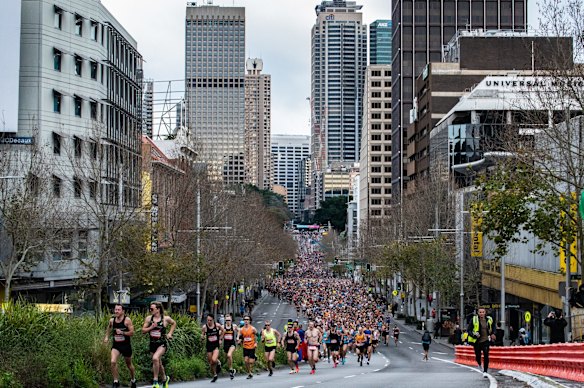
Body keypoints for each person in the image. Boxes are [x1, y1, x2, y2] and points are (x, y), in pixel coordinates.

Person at [142, 302, 177, 388]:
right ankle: (165, 378)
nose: (150, 310)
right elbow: (143, 331)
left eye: (152, 309)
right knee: (158, 362)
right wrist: (151, 327)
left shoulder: (165, 319)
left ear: (158, 309)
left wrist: (170, 334)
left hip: (161, 344)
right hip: (152, 343)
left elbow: (174, 323)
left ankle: (155, 381)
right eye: (150, 309)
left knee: (155, 358)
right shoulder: (149, 319)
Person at [103, 304, 137, 388]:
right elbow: (109, 328)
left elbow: (132, 333)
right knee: (113, 362)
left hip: (126, 346)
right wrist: (106, 337)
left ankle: (133, 380)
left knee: (129, 365)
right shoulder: (112, 320)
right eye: (115, 310)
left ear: (123, 311)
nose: (116, 311)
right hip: (116, 345)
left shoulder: (127, 320)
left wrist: (122, 333)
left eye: (118, 310)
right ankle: (116, 381)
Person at [467, 308, 495, 378]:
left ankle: (485, 371)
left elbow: (493, 327)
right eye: (480, 312)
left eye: (483, 312)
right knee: (478, 356)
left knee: (486, 355)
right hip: (477, 341)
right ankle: (479, 364)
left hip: (486, 340)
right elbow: (469, 330)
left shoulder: (489, 319)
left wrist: (493, 333)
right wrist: (474, 334)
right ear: (478, 313)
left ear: (485, 312)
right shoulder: (474, 319)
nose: (481, 313)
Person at [201, 314, 223, 382]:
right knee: (211, 362)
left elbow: (223, 330)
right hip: (209, 346)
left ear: (213, 320)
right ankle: (215, 375)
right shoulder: (205, 327)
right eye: (208, 320)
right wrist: (202, 337)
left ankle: (218, 362)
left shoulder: (217, 325)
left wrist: (220, 339)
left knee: (214, 360)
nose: (209, 321)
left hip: (215, 345)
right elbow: (202, 335)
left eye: (210, 320)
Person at [239, 315, 257, 379]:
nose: (246, 321)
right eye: (245, 320)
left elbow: (257, 336)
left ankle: (255, 357)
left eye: (247, 320)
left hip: (252, 346)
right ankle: (249, 373)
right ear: (243, 321)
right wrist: (238, 340)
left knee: (251, 362)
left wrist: (256, 343)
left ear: (249, 321)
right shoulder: (241, 329)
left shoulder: (253, 329)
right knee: (246, 361)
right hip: (245, 347)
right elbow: (239, 337)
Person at [221, 314, 238, 380]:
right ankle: (232, 371)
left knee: (229, 355)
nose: (228, 322)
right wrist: (222, 333)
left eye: (229, 320)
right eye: (227, 320)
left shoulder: (234, 326)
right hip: (225, 344)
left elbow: (239, 330)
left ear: (231, 320)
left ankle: (230, 369)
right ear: (225, 320)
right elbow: (221, 336)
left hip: (232, 344)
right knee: (227, 358)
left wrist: (238, 337)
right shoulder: (223, 327)